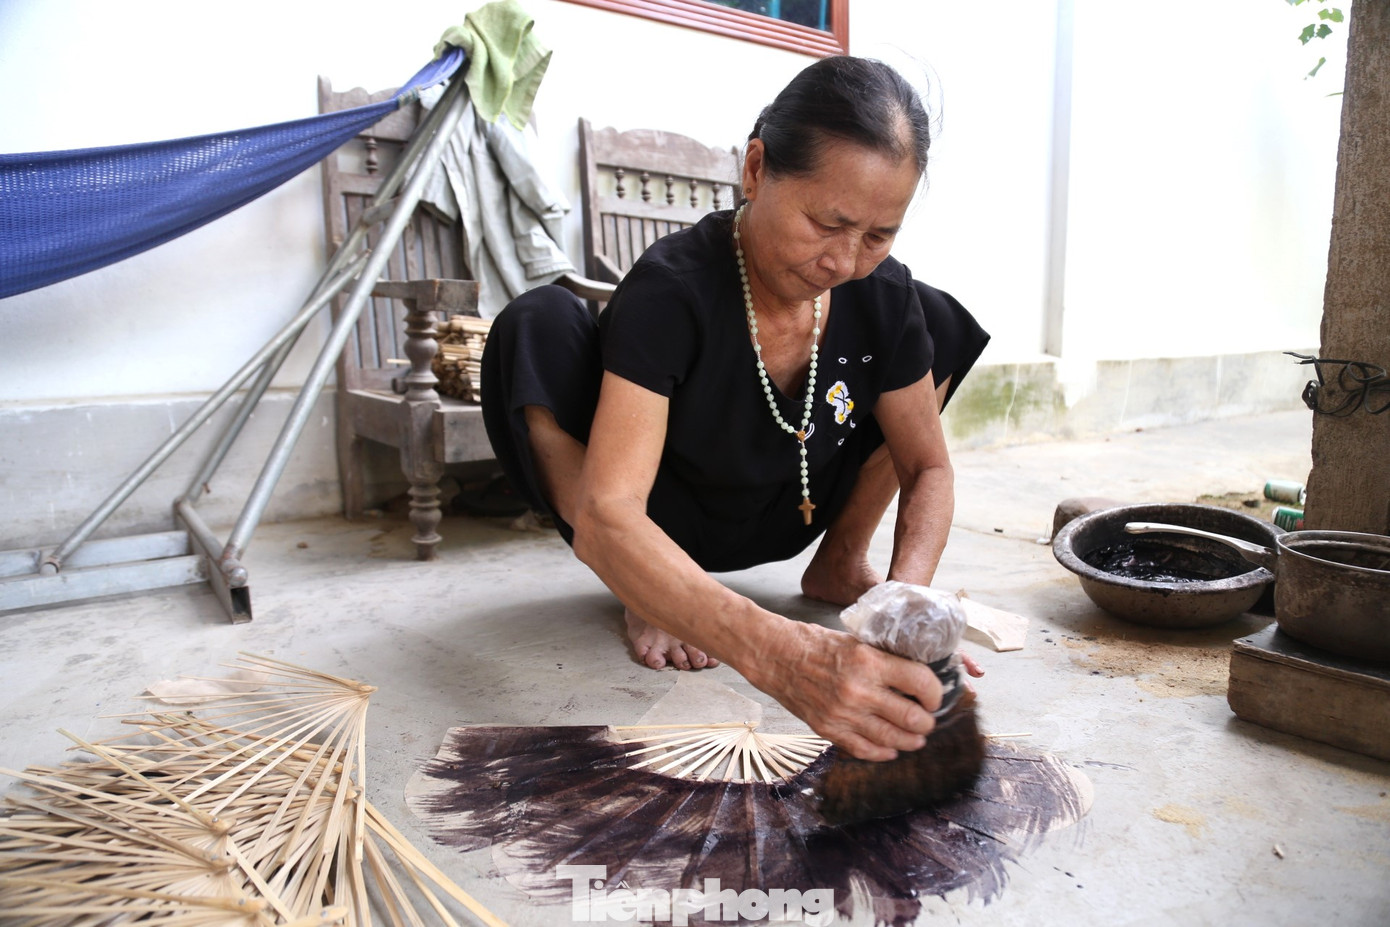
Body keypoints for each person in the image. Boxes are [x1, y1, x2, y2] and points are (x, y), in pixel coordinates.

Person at [481, 56, 990, 762]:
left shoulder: (881, 293)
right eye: (826, 223)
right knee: (536, 324)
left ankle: (840, 562)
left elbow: (928, 465)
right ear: (756, 169)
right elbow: (608, 509)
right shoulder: (672, 288)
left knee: (933, 318)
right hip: (659, 521)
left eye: (877, 236)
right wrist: (781, 655)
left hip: (796, 503)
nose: (844, 260)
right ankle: (649, 588)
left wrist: (907, 608)